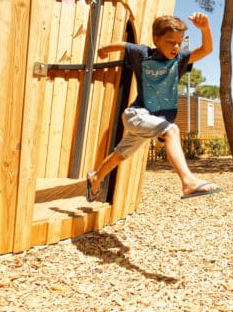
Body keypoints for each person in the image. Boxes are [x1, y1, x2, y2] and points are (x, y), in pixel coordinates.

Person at [86, 12, 222, 202]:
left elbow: (206, 50)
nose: (176, 47)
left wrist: (205, 29)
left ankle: (95, 178)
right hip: (136, 114)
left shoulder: (180, 59)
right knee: (172, 130)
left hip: (151, 121)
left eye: (179, 42)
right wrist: (103, 50)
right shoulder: (142, 54)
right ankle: (188, 182)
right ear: (156, 39)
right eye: (171, 42)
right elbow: (123, 45)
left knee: (120, 155)